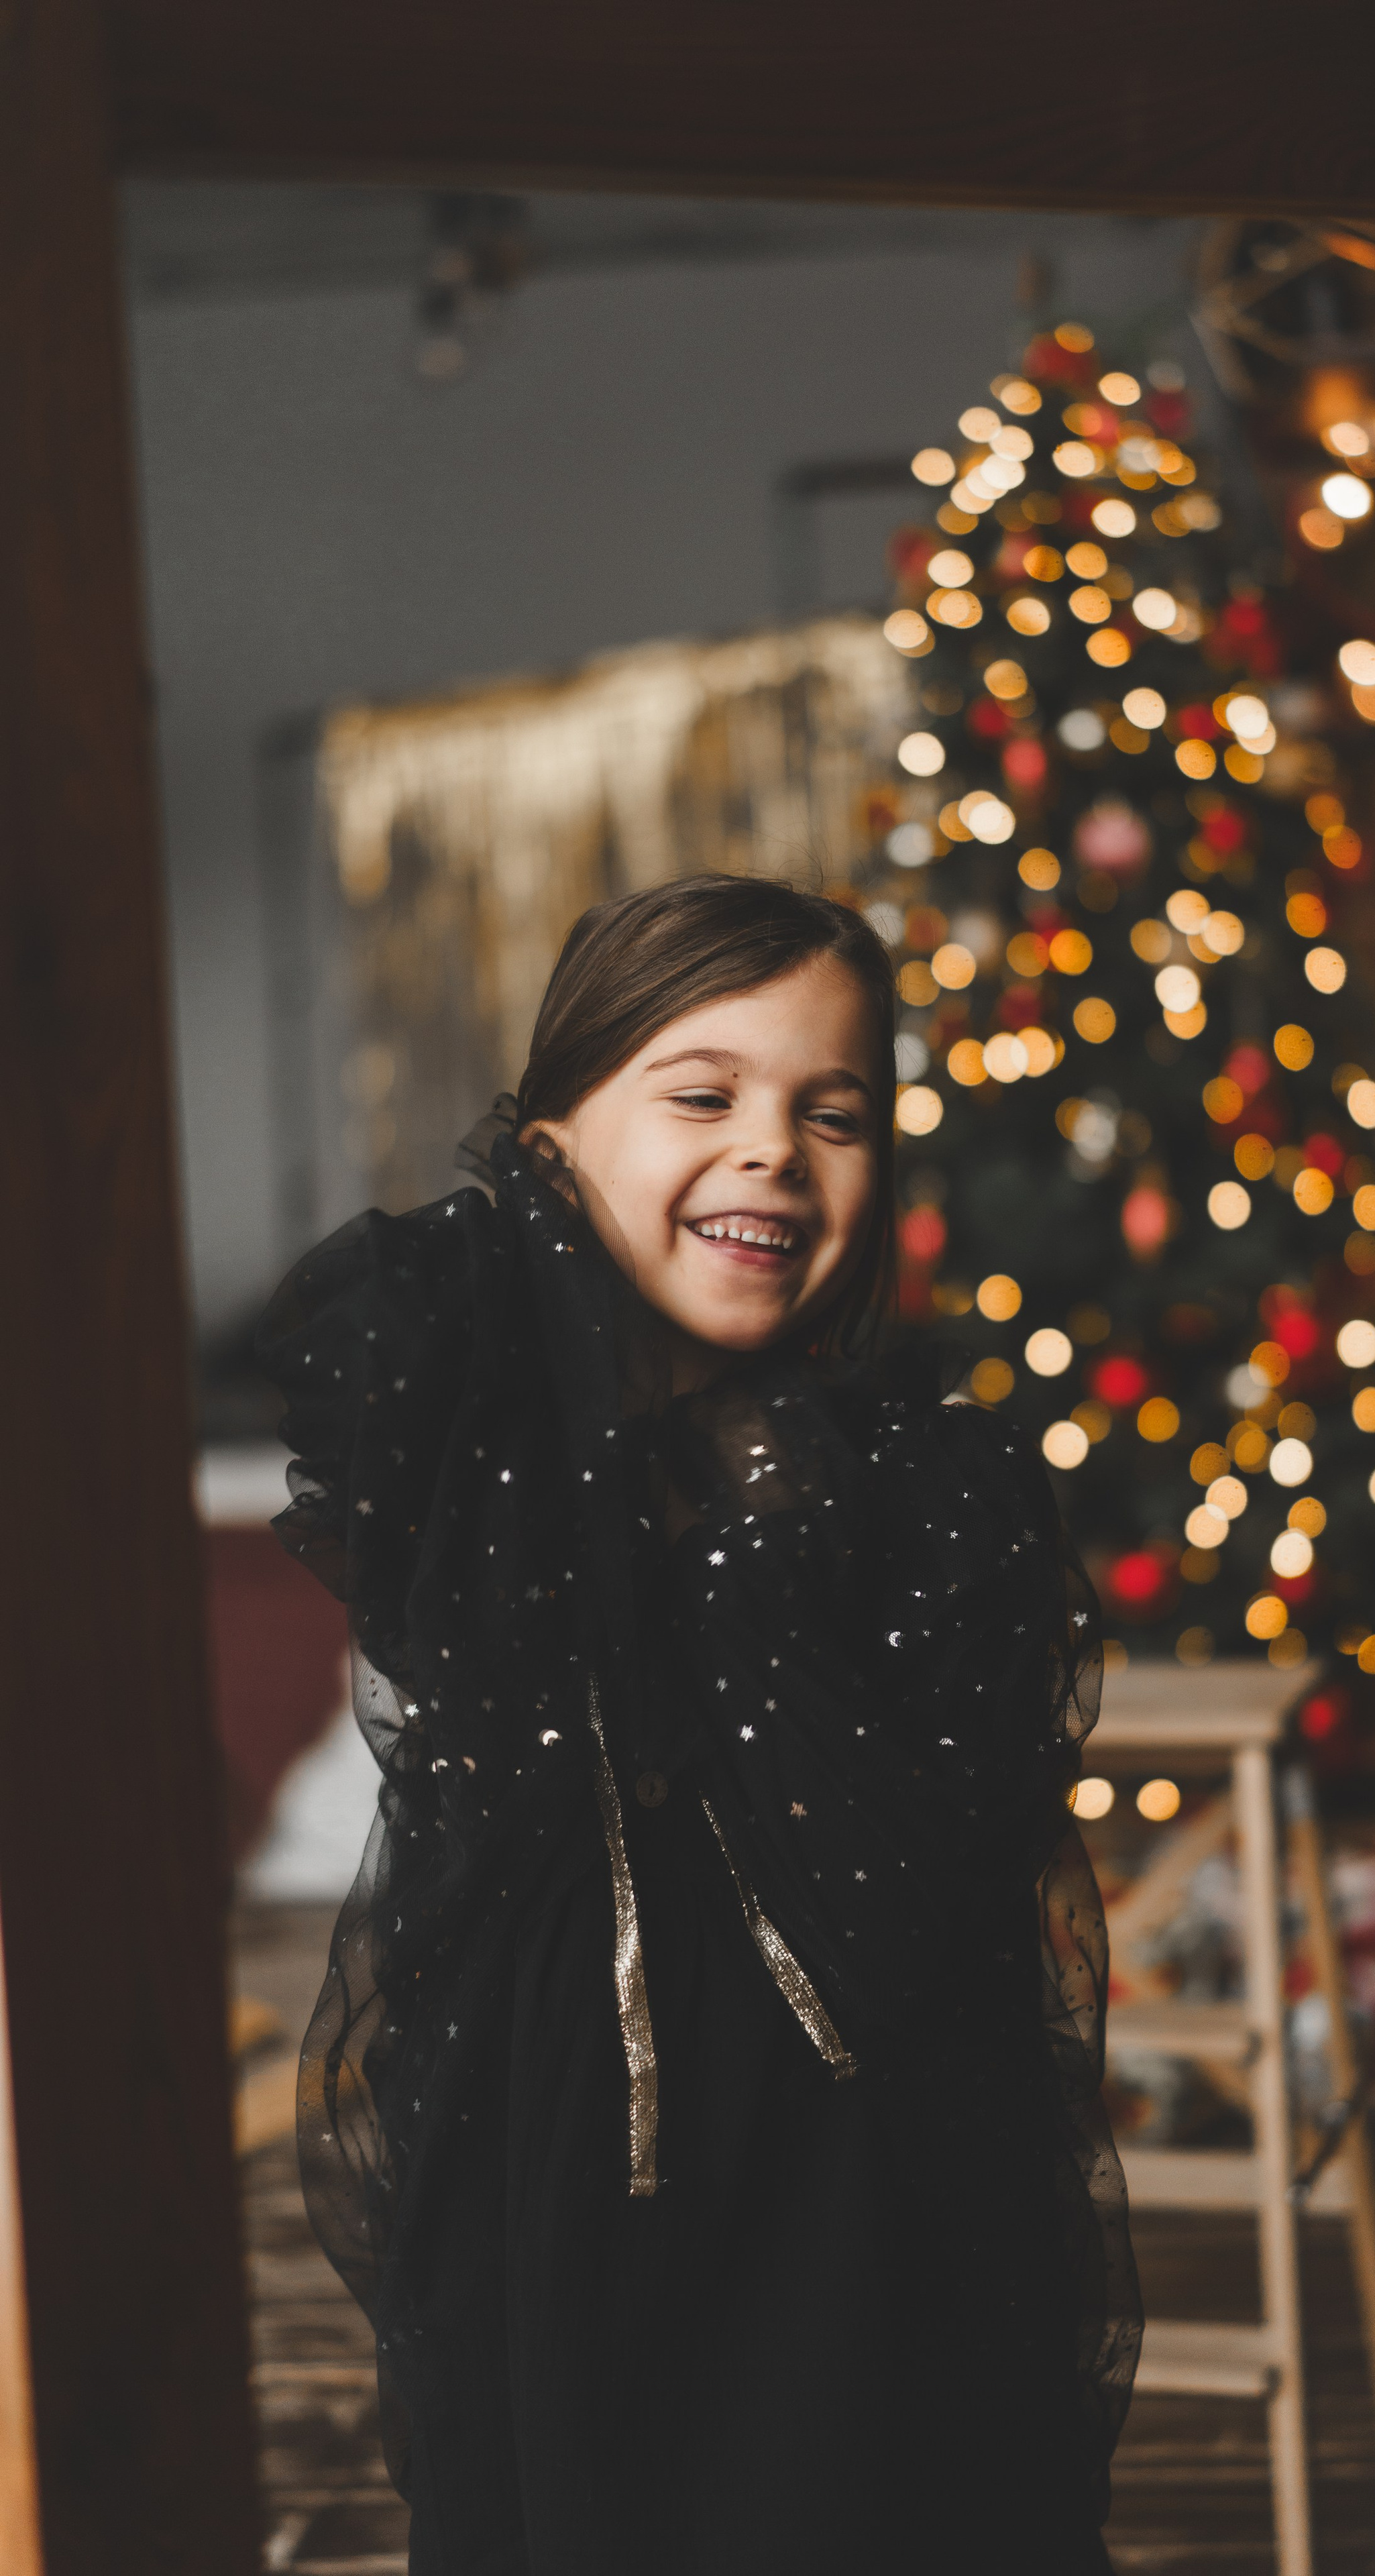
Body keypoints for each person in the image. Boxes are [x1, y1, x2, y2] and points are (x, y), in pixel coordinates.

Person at [260, 874, 1141, 2575]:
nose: (771, 1153)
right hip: (551, 2187)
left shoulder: (927, 1499)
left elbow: (907, 1888)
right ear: (546, 1147)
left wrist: (755, 1507)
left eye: (836, 1113)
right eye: (700, 1094)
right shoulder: (482, 1463)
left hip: (855, 2209)